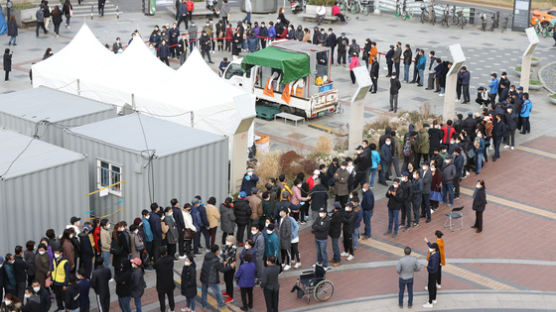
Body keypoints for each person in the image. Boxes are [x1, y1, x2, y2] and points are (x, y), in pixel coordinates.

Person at [200, 245, 233, 310]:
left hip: (204, 277)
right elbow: (222, 269)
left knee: (204, 292)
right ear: (216, 251)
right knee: (217, 292)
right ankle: (220, 304)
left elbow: (214, 265)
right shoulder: (216, 259)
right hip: (212, 279)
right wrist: (230, 267)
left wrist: (222, 263)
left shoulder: (207, 255)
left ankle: (204, 306)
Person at [154, 246, 175, 312]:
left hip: (161, 284)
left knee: (162, 300)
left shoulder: (158, 263)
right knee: (171, 297)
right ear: (166, 253)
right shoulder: (171, 260)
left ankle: (163, 310)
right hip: (170, 282)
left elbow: (154, 266)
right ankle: (172, 309)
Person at [423, 243, 440, 308]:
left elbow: (432, 267)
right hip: (435, 272)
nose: (430, 249)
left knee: (431, 286)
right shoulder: (437, 253)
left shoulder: (434, 257)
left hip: (432, 272)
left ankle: (430, 302)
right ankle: (434, 299)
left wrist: (427, 266)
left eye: (431, 248)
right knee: (433, 285)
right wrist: (427, 242)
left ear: (434, 249)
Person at [221, 236, 237, 303]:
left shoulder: (234, 248)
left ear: (232, 242)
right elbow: (222, 254)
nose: (227, 242)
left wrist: (225, 260)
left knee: (230, 282)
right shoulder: (225, 246)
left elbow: (228, 256)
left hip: (231, 267)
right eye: (227, 240)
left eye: (229, 241)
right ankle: (227, 292)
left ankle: (231, 296)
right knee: (226, 279)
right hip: (226, 266)